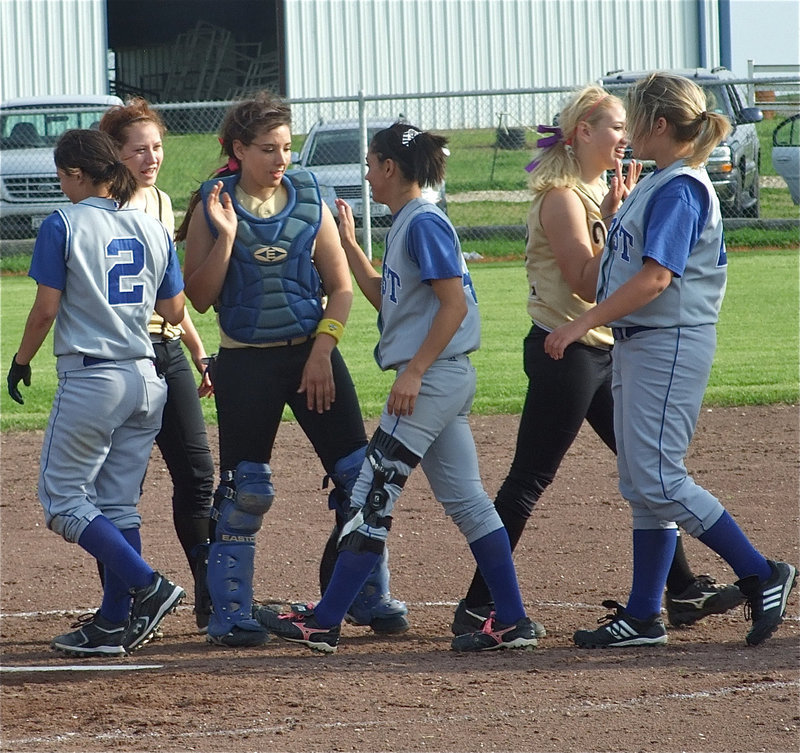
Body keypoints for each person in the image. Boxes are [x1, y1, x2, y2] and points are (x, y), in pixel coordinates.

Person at [452, 85, 744, 639]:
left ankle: (680, 590)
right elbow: (587, 283)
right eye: (614, 127)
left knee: (645, 471)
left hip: (601, 350)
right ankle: (477, 603)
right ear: (583, 132)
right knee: (530, 479)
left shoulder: (596, 192)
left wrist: (611, 217)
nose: (624, 137)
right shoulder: (563, 197)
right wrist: (611, 226)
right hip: (568, 353)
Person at [255, 121, 539, 654]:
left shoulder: (424, 222)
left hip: (430, 377)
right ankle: (512, 619)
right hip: (442, 376)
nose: (367, 174)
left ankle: (325, 620)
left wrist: (414, 372)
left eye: (370, 163)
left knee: (369, 493)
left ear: (390, 167)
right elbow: (391, 303)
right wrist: (348, 245)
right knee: (468, 502)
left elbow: (453, 306)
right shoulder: (410, 221)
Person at [544, 72, 796, 648]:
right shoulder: (660, 181)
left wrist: (584, 321)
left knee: (658, 475)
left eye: (635, 115)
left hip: (671, 338)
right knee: (639, 480)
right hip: (644, 340)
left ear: (659, 125)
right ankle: (642, 615)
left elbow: (658, 278)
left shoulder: (682, 187)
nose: (628, 125)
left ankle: (761, 572)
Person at [179, 92, 408, 648]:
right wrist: (226, 236)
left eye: (285, 147)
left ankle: (361, 593)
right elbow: (200, 297)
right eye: (267, 149)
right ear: (238, 148)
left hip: (313, 355)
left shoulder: (308, 194)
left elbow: (341, 288)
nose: (280, 158)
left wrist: (322, 352)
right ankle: (230, 612)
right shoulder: (214, 203)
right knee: (246, 491)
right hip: (246, 362)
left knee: (361, 480)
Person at [6, 129, 186, 657]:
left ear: (79, 174)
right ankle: (112, 623)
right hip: (146, 378)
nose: (62, 186)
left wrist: (20, 361)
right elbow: (174, 312)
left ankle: (147, 586)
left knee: (63, 502)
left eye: (64, 176)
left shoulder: (64, 223)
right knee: (118, 505)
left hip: (93, 378)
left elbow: (45, 309)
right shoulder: (152, 226)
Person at [99, 98, 215, 631]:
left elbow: (171, 297)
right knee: (120, 488)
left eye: (157, 147)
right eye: (138, 150)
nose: (151, 158)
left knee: (196, 473)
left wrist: (197, 350)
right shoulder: (101, 208)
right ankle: (122, 605)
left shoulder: (164, 202)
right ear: (114, 155)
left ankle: (209, 594)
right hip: (125, 356)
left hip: (167, 350)